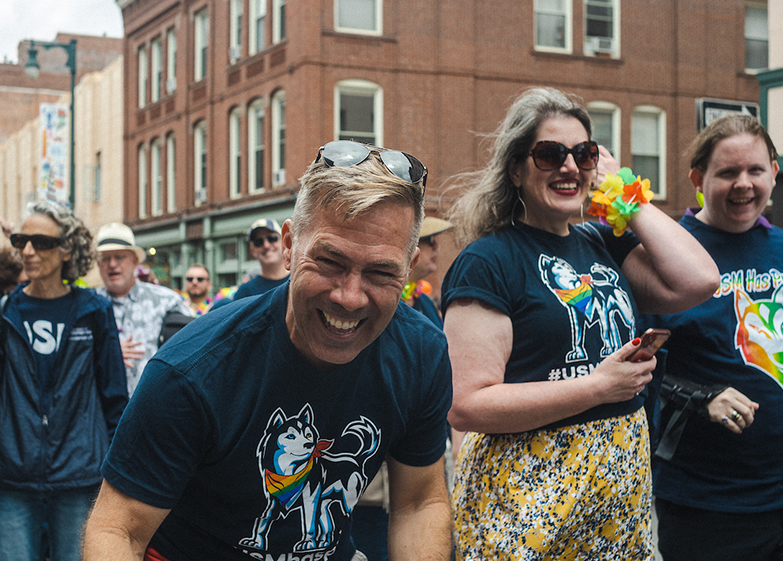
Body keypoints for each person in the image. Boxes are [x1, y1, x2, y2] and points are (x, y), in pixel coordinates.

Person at [82, 139, 453, 561]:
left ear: (408, 267)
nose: (350, 297)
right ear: (290, 246)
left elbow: (419, 503)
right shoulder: (193, 370)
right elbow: (118, 530)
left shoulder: (421, 354)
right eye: (330, 262)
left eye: (380, 272)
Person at [440, 87, 719, 559]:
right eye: (550, 154)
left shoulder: (601, 243)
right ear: (516, 169)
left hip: (618, 497)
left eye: (584, 154)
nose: (569, 167)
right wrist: (596, 387)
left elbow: (699, 280)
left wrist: (626, 199)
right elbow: (466, 404)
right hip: (528, 501)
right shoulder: (487, 261)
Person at [650, 114, 783, 560]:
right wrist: (702, 397)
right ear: (698, 178)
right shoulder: (667, 254)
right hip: (707, 506)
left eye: (755, 170)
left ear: (774, 173)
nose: (744, 184)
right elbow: (639, 366)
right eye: (727, 172)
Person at [0, 201, 128, 561]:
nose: (27, 250)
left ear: (67, 249)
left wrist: (114, 470)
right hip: (12, 475)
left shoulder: (93, 311)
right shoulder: (6, 312)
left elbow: (114, 394)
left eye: (40, 242)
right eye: (22, 240)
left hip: (80, 473)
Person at [349, 215, 453, 561]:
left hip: (418, 470)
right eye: (430, 240)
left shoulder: (422, 304)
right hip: (368, 492)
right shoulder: (362, 309)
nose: (436, 249)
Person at [94, 223, 191, 397]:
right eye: (105, 258)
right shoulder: (88, 305)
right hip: (101, 414)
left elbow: (193, 348)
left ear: (135, 261)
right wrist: (108, 353)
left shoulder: (166, 300)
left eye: (119, 256)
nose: (112, 264)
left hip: (153, 409)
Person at [233, 219, 290, 300]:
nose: (266, 245)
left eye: (272, 238)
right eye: (259, 242)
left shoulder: (298, 279)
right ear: (252, 251)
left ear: (283, 242)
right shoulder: (245, 292)